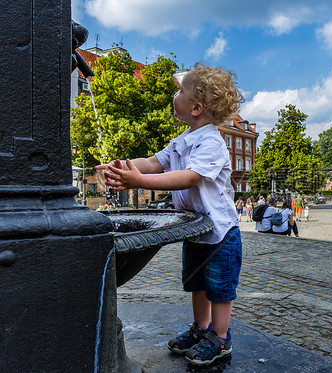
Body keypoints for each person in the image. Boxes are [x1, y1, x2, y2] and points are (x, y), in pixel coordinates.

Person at [96, 64, 244, 366]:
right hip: (195, 230)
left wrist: (139, 181)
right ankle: (201, 328)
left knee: (220, 287)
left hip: (220, 232)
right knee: (197, 282)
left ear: (196, 107)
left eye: (180, 91)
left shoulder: (212, 143)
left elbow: (188, 177)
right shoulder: (181, 140)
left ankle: (221, 336)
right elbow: (153, 162)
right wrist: (124, 166)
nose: (175, 94)